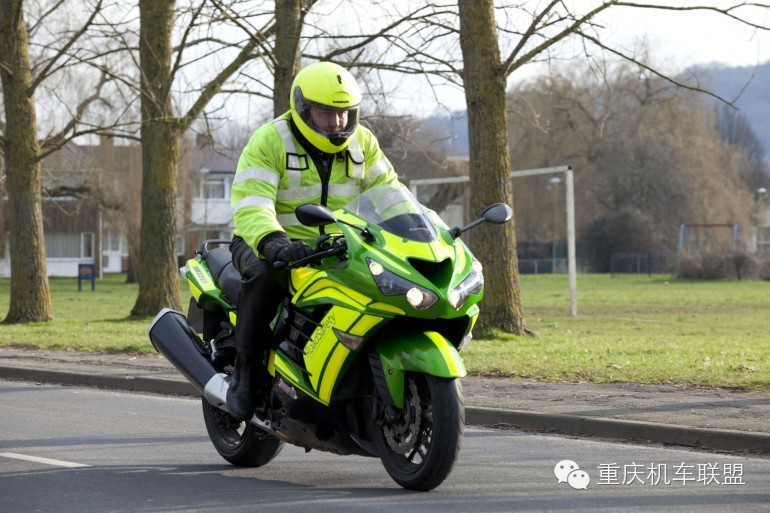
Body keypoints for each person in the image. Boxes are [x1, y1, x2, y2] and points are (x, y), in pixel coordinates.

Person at [227, 61, 401, 420]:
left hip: (338, 248)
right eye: (326, 113)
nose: (337, 123)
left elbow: (392, 195)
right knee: (263, 274)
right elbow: (251, 204)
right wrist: (274, 241)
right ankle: (245, 373)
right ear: (303, 109)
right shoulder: (271, 139)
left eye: (343, 114)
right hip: (269, 242)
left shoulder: (363, 143)